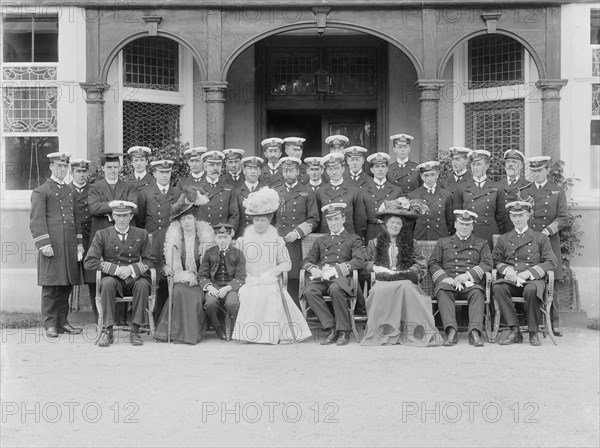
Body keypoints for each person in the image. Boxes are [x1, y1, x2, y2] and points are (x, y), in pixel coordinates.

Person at [232, 188, 311, 344]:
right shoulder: (242, 240)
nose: (260, 223)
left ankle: (269, 335)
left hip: (269, 279)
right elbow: (237, 264)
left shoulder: (277, 240)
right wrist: (248, 276)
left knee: (269, 293)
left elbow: (287, 264)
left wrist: (272, 272)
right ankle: (250, 334)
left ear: (269, 220)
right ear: (252, 220)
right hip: (249, 279)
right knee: (248, 293)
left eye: (263, 220)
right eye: (257, 220)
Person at [361, 199, 441, 346]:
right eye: (392, 222)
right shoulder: (374, 243)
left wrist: (409, 272)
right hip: (383, 280)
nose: (395, 226)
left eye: (398, 223)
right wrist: (377, 268)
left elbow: (421, 265)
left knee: (405, 287)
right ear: (385, 224)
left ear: (402, 226)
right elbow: (364, 263)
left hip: (405, 280)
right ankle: (384, 333)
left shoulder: (411, 242)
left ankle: (410, 333)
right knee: (377, 290)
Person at [84, 201, 155, 347]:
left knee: (143, 284)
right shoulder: (102, 234)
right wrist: (116, 270)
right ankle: (108, 331)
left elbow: (150, 261)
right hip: (113, 278)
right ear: (112, 216)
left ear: (130, 216)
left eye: (125, 215)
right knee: (107, 283)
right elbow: (89, 261)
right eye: (118, 215)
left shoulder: (141, 234)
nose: (121, 219)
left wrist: (131, 269)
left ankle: (135, 330)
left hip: (134, 277)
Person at [30, 152, 84, 338]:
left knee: (66, 285)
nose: (62, 170)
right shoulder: (41, 191)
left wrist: (79, 244)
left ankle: (63, 321)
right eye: (58, 166)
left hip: (69, 246)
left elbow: (76, 219)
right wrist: (44, 243)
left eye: (65, 166)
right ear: (51, 167)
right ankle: (50, 324)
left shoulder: (70, 191)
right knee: (50, 285)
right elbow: (36, 221)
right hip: (51, 245)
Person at [492, 201, 558, 346]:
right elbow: (495, 260)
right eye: (514, 216)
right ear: (510, 217)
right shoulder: (504, 239)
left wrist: (528, 273)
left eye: (521, 215)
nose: (517, 219)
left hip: (532, 281)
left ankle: (533, 331)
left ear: (528, 216)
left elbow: (551, 262)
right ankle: (514, 330)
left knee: (531, 289)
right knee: (498, 287)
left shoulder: (540, 238)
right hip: (512, 280)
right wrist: (507, 269)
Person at [154, 188, 214, 344]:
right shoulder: (174, 238)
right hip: (181, 278)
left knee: (194, 297)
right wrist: (170, 269)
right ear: (179, 222)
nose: (187, 222)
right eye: (183, 219)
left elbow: (210, 263)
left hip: (200, 280)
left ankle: (191, 335)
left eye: (189, 218)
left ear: (194, 219)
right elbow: (168, 261)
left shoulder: (203, 237)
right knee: (178, 292)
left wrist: (198, 277)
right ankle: (177, 333)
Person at [302, 203, 366, 346]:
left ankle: (344, 330)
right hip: (323, 278)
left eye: (336, 219)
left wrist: (336, 270)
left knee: (335, 289)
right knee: (309, 290)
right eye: (330, 220)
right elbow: (307, 259)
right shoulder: (321, 240)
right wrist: (313, 268)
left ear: (343, 219)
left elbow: (359, 261)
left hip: (341, 278)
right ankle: (331, 328)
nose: (333, 223)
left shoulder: (352, 238)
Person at [519, 155, 568, 337]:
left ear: (547, 170)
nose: (537, 174)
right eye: (534, 171)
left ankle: (553, 323)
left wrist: (547, 231)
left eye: (540, 170)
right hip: (529, 243)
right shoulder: (524, 192)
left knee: (551, 280)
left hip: (548, 241)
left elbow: (563, 218)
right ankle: (530, 322)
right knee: (528, 279)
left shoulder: (557, 192)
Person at [428, 210, 493, 347]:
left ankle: (475, 332)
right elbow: (433, 263)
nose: (464, 227)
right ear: (455, 224)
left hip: (470, 283)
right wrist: (445, 278)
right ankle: (451, 331)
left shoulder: (482, 243)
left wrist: (468, 275)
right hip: (449, 282)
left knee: (478, 292)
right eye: (461, 224)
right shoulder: (443, 242)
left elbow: (487, 263)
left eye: (468, 224)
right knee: (442, 291)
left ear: (472, 226)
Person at [88, 152, 138, 323]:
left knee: (123, 273)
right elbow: (94, 208)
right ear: (103, 168)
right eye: (109, 167)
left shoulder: (128, 186)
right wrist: (115, 206)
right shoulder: (95, 187)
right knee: (101, 276)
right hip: (102, 235)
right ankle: (100, 320)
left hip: (123, 234)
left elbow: (133, 207)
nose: (113, 170)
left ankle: (121, 319)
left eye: (116, 167)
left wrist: (108, 209)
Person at [136, 160, 182, 318]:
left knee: (169, 275)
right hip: (152, 241)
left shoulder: (177, 193)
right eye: (161, 172)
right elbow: (141, 221)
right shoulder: (145, 193)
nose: (164, 176)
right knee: (151, 276)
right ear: (154, 173)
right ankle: (150, 317)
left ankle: (168, 316)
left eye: (167, 172)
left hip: (171, 240)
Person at [273, 157, 320, 307]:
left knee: (294, 276)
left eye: (291, 170)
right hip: (278, 242)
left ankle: (296, 312)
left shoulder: (307, 192)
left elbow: (314, 219)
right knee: (277, 276)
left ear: (298, 172)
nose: (288, 173)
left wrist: (297, 232)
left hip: (297, 242)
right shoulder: (275, 191)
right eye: (285, 170)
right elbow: (270, 219)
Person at [199, 224, 246, 341]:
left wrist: (227, 289)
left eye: (225, 237)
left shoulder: (238, 253)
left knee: (233, 304)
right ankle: (218, 328)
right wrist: (209, 287)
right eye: (220, 237)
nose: (223, 240)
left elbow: (241, 277)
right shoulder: (209, 253)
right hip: (214, 285)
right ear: (215, 238)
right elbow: (202, 275)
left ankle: (233, 329)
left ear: (231, 238)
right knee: (210, 304)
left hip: (231, 286)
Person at [455, 149, 506, 248]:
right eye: (473, 164)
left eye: (479, 164)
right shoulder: (462, 187)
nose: (475, 167)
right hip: (468, 233)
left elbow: (500, 215)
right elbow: (456, 213)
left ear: (487, 166)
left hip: (489, 233)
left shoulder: (496, 187)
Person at [315, 153, 367, 240]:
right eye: (330, 169)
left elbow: (360, 219)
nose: (334, 172)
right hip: (326, 238)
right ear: (326, 171)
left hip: (348, 238)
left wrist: (357, 239)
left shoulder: (354, 191)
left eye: (336, 168)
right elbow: (317, 218)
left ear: (342, 169)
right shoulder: (320, 192)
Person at [69, 158, 96, 320]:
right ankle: (65, 318)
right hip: (72, 239)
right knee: (69, 277)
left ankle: (98, 317)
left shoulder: (94, 190)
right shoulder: (65, 191)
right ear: (72, 173)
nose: (81, 175)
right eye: (78, 171)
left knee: (93, 278)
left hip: (91, 237)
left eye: (84, 171)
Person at [408, 161, 454, 240]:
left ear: (437, 175)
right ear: (421, 176)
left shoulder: (446, 195)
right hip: (420, 238)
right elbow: (411, 224)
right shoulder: (413, 195)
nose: (429, 179)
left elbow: (449, 221)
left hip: (440, 237)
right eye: (426, 175)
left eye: (432, 175)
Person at [362, 152, 403, 243]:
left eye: (383, 166)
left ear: (387, 169)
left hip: (389, 232)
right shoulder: (363, 191)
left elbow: (400, 216)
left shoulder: (396, 190)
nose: (380, 170)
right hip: (370, 232)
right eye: (377, 167)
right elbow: (360, 217)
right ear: (371, 169)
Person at [194, 150, 239, 231]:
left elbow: (234, 215)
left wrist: (229, 231)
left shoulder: (229, 189)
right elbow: (192, 216)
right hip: (203, 234)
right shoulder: (196, 189)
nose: (215, 168)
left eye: (218, 165)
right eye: (211, 165)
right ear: (204, 167)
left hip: (223, 234)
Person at [235, 156, 267, 238]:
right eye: (249, 168)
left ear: (259, 172)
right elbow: (234, 216)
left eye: (256, 169)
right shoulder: (236, 192)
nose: (253, 172)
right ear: (244, 171)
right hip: (243, 234)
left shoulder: (266, 191)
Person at [498, 149, 530, 232]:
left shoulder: (528, 186)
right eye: (508, 162)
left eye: (514, 162)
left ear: (521, 166)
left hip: (519, 230)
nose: (510, 164)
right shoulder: (496, 185)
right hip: (499, 230)